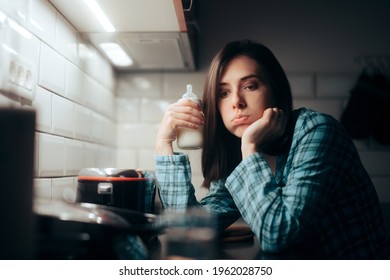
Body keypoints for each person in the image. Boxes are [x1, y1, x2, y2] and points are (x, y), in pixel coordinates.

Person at [154, 39, 389, 259]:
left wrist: (250, 147)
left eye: (250, 86)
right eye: (223, 93)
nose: (236, 101)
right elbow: (185, 225)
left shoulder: (318, 131)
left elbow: (278, 236)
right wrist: (164, 144)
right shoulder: (239, 157)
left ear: (275, 90)